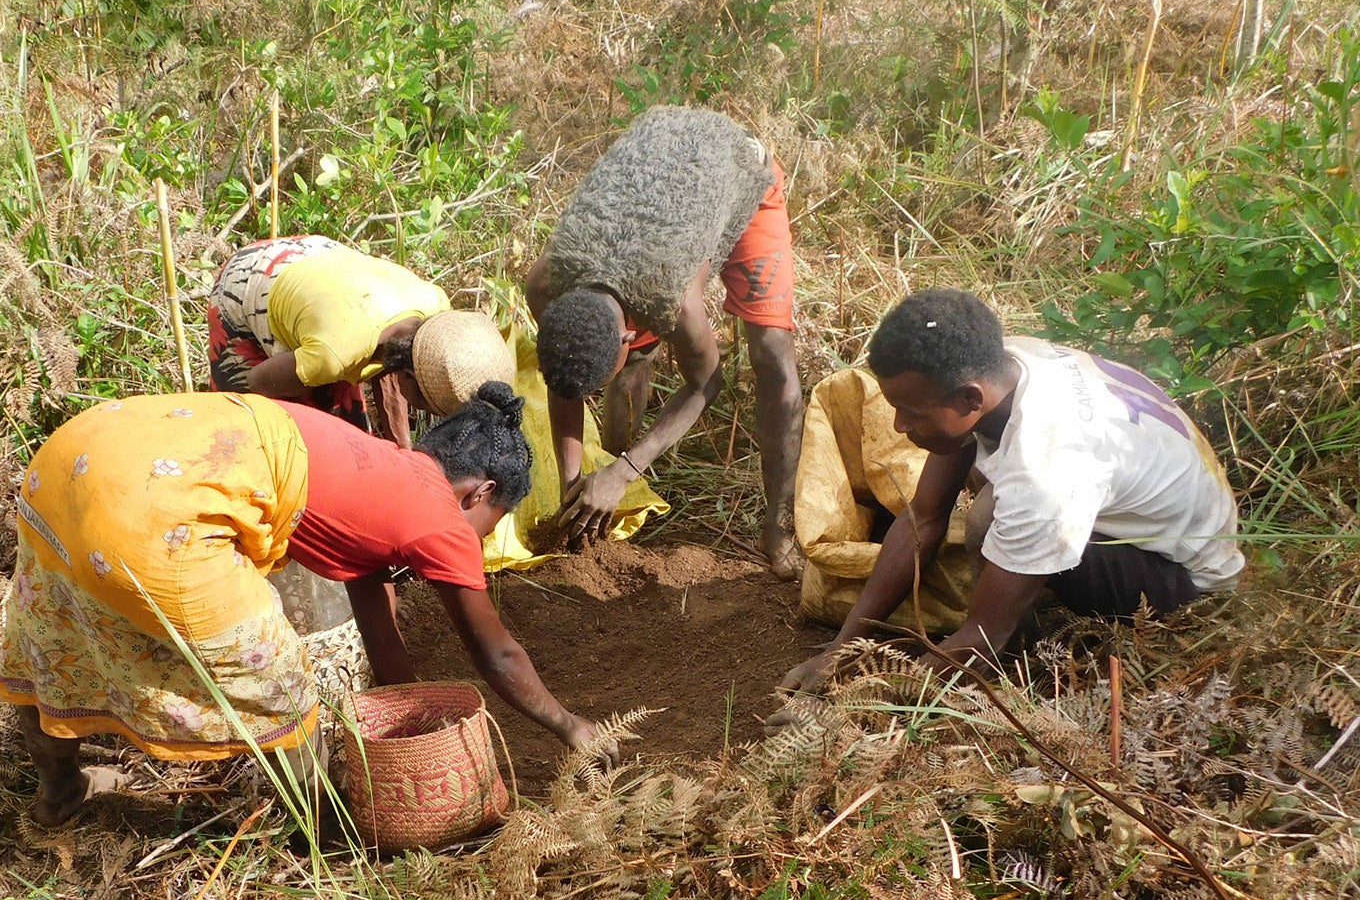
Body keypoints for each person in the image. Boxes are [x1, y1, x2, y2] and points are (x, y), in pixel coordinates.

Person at [0, 385, 599, 825]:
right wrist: (573, 728)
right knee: (282, 678)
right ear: (479, 493)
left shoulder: (373, 467)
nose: (481, 542)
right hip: (155, 510)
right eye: (491, 524)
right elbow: (497, 654)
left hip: (73, 459)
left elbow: (380, 630)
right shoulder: (439, 517)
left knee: (53, 636)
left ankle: (59, 795)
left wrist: (407, 725)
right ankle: (326, 829)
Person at [780, 289, 1245, 693]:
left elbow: (979, 637)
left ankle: (1026, 655)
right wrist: (841, 649)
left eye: (913, 414)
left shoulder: (1047, 471)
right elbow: (923, 517)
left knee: (990, 522)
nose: (900, 426)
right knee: (994, 513)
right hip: (1147, 522)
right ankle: (1020, 592)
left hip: (1185, 583)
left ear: (970, 399)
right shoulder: (1009, 365)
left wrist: (858, 696)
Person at [524, 105, 803, 576]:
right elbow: (563, 381)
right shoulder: (546, 285)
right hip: (657, 178)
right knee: (623, 371)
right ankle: (601, 495)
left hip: (738, 170)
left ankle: (780, 530)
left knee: (772, 355)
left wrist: (624, 471)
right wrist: (571, 487)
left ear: (628, 336)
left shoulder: (676, 301)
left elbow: (705, 384)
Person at [207, 234, 514, 446]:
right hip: (253, 278)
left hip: (330, 273)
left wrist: (403, 454)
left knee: (347, 427)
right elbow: (259, 381)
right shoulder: (333, 353)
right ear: (408, 375)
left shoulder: (436, 311)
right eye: (425, 404)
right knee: (256, 434)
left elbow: (389, 364)